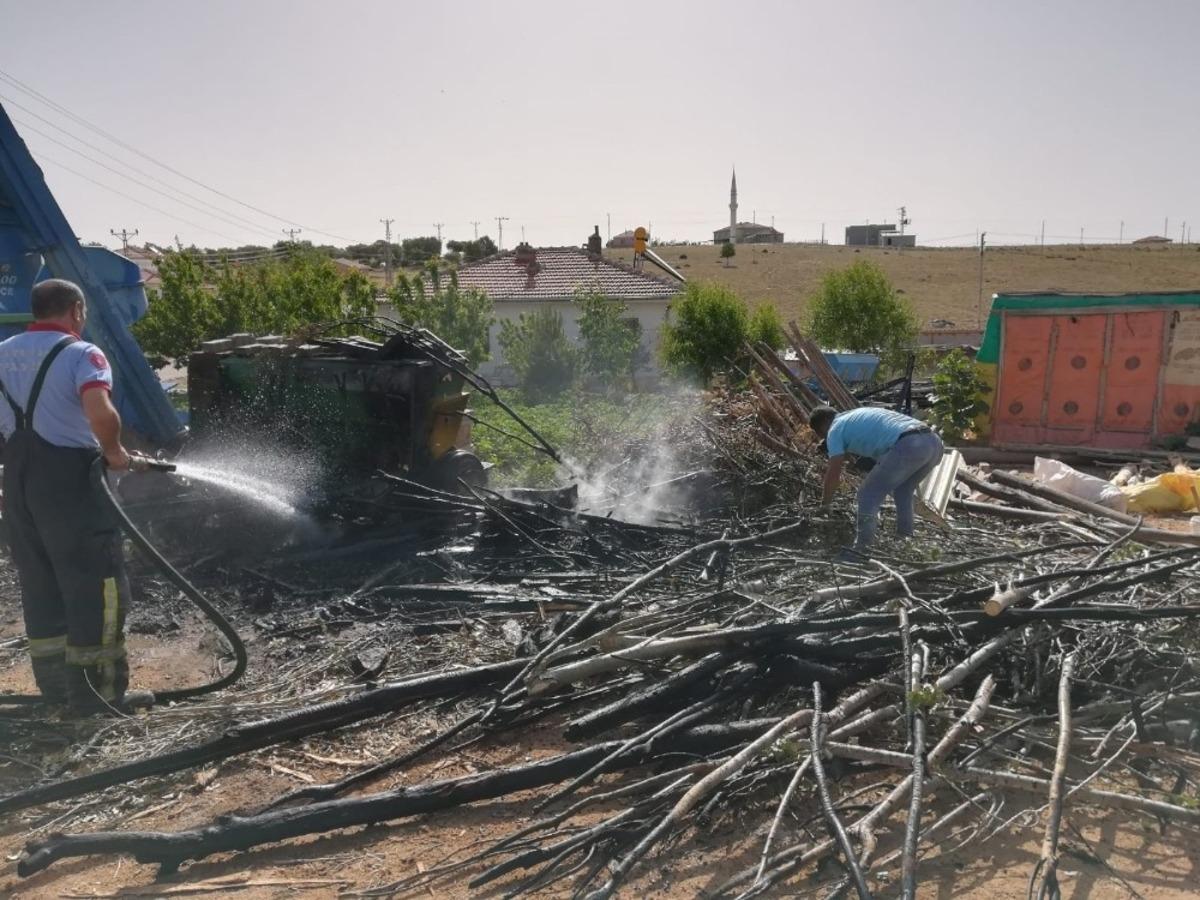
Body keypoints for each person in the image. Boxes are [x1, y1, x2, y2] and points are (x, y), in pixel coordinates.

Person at [0, 278, 147, 714]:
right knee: (96, 587)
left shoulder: (3, 352)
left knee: (41, 586)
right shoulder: (83, 354)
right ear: (76, 311)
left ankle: (58, 696)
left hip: (20, 486)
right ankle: (98, 700)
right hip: (70, 487)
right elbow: (99, 410)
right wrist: (116, 453)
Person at [808, 405, 944, 556]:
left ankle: (862, 550)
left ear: (824, 424)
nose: (824, 438)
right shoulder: (856, 415)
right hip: (934, 443)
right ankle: (905, 541)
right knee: (903, 491)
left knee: (867, 495)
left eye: (821, 433)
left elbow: (834, 472)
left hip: (910, 444)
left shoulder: (835, 429)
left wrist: (825, 504)